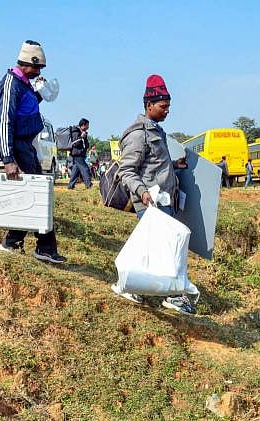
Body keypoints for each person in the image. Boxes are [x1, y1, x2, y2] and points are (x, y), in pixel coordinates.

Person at [113, 74, 196, 316]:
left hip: (163, 202)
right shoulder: (138, 133)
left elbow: (152, 164)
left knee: (151, 251)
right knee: (165, 251)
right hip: (150, 203)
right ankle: (172, 296)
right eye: (163, 106)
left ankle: (132, 286)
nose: (167, 111)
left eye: (168, 106)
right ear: (149, 105)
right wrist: (142, 192)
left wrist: (173, 165)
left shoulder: (155, 130)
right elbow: (126, 170)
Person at [0, 40, 66, 265]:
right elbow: (4, 122)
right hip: (17, 146)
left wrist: (39, 93)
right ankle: (43, 247)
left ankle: (13, 242)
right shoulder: (11, 83)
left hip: (27, 146)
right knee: (37, 195)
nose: (39, 73)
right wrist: (8, 159)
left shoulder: (24, 84)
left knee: (33, 195)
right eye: (37, 68)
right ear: (27, 63)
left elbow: (27, 108)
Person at [67, 118, 92, 189]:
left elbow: (85, 143)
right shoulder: (75, 131)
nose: (88, 127)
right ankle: (89, 185)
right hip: (77, 154)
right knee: (85, 169)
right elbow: (74, 143)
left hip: (80, 154)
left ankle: (70, 185)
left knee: (75, 171)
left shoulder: (83, 132)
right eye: (87, 125)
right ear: (83, 125)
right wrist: (81, 137)